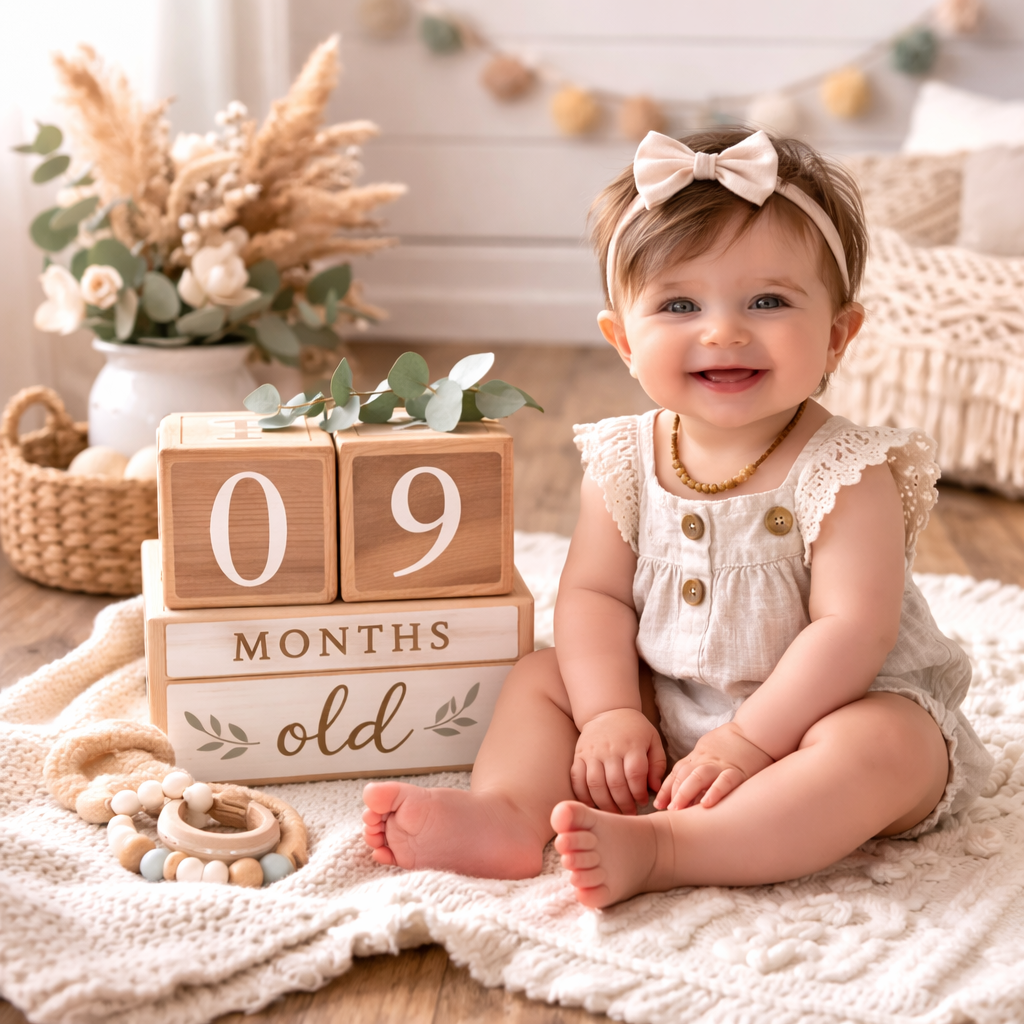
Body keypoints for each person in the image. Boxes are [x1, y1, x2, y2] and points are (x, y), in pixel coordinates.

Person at [362, 128, 993, 908]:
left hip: (819, 713)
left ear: (837, 335)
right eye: (679, 304)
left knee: (891, 747)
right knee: (540, 673)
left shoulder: (847, 472)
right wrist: (609, 715)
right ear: (624, 341)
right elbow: (595, 597)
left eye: (767, 300)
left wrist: (752, 738)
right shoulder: (624, 461)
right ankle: (511, 816)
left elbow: (851, 633)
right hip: (665, 706)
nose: (723, 330)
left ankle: (670, 849)